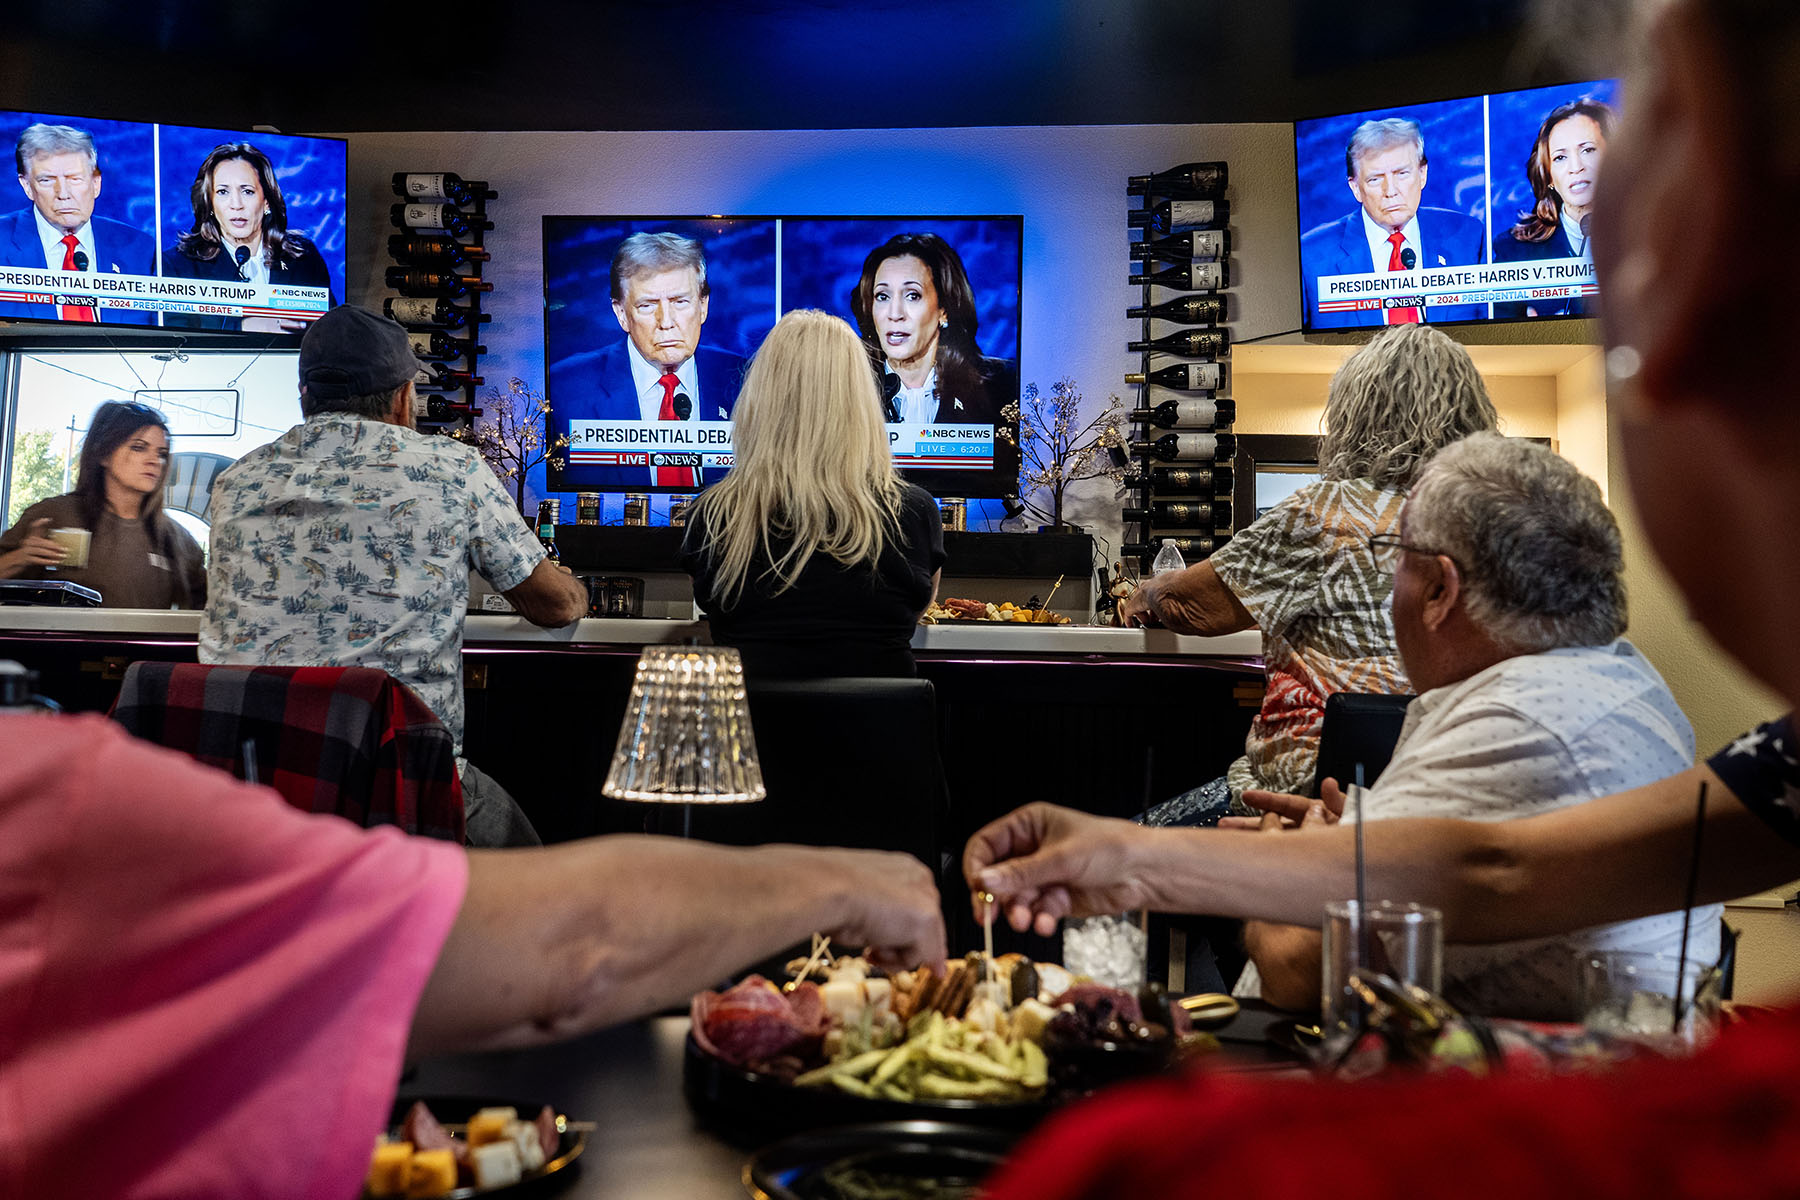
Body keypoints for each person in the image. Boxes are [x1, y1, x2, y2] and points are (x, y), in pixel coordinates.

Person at [971, 1, 1800, 1186]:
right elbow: (1486, 871)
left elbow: (1452, 880)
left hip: (1309, 822)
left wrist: (1140, 850)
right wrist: (1150, 856)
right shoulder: (1723, 738)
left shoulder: (1366, 555)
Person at [0, 706, 945, 1199]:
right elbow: (574, 952)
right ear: (408, 399)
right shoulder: (64, 802)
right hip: (405, 798)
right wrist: (858, 883)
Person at [1239, 432, 1717, 1020]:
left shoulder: (1516, 725)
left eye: (1397, 554)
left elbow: (1294, 970)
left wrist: (1283, 865)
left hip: (1497, 1093)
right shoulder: (1622, 681)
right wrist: (1364, 835)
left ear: (1440, 588)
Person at [199, 304, 588, 847]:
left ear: (305, 397)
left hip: (256, 796)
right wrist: (572, 585)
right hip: (401, 791)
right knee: (539, 877)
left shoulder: (235, 482)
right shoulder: (451, 469)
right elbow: (557, 607)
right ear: (405, 398)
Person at [1120, 323, 1498, 819]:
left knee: (1113, 864)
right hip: (1443, 803)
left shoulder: (1327, 511)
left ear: (1355, 415)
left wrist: (1142, 593)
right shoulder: (1495, 521)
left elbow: (1191, 608)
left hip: (1308, 801)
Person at [677, 309, 945, 678]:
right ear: (861, 399)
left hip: (750, 732)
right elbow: (912, 614)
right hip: (880, 733)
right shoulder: (915, 511)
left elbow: (709, 607)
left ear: (760, 396)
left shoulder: (711, 514)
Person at [552, 231, 746, 489]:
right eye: (647, 305)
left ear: (703, 306)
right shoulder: (563, 388)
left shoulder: (746, 379)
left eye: (680, 302)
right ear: (621, 313)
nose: (666, 322)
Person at [0, 400, 204, 608]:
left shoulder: (177, 538)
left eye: (161, 454)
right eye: (139, 448)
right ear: (104, 454)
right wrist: (21, 558)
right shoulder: (55, 515)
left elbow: (211, 611)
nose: (154, 460)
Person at [1299, 117, 1487, 329]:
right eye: (1375, 179)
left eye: (1402, 174)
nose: (1391, 191)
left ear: (1422, 174)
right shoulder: (1311, 256)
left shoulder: (1467, 237)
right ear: (1355, 188)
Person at [160, 142, 336, 334]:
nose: (236, 205)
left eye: (247, 191)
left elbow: (330, 331)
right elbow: (175, 338)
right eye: (223, 192)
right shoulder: (178, 265)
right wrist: (241, 327)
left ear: (266, 202)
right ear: (209, 203)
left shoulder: (302, 257)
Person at [848, 232, 1015, 427]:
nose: (894, 314)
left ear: (943, 310)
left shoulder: (1000, 386)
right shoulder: (845, 388)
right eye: (883, 296)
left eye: (912, 295)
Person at [0, 123, 154, 324]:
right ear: (27, 186)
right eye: (47, 180)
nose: (63, 194)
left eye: (75, 179)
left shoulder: (140, 248)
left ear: (96, 183)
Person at [1491, 97, 1613, 318]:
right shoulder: (1514, 251)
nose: (1576, 167)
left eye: (1588, 150)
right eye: (1560, 157)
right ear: (1547, 176)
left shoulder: (1650, 238)